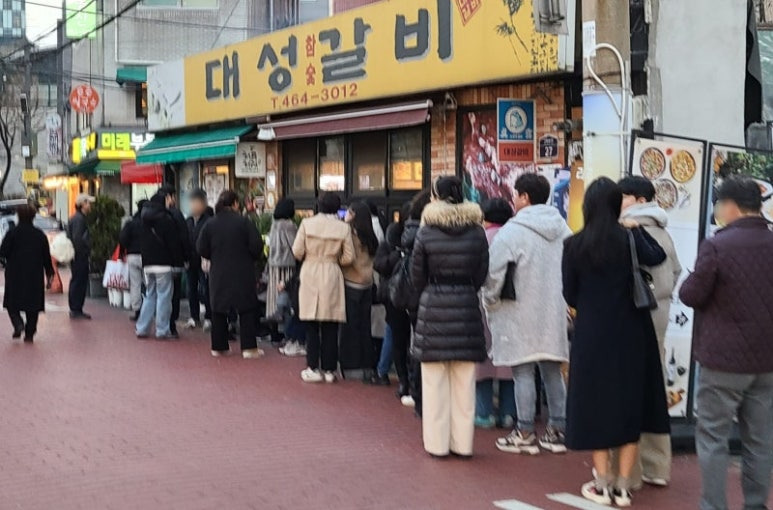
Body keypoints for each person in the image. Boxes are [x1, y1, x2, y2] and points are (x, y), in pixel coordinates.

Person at [562, 177, 670, 507]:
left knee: (596, 406)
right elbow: (658, 255)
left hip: (592, 333)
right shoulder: (629, 239)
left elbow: (570, 293)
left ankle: (602, 483)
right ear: (615, 205)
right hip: (633, 332)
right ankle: (624, 487)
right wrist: (636, 229)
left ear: (588, 206)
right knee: (630, 405)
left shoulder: (574, 245)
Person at [679, 176, 773, 510]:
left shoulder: (717, 245)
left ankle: (714, 506)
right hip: (766, 361)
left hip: (722, 361)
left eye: (719, 204)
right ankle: (755, 504)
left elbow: (690, 293)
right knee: (760, 441)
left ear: (731, 206)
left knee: (713, 438)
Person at [483, 175, 571, 454]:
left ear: (524, 197)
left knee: (522, 372)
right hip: (553, 309)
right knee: (552, 372)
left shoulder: (513, 231)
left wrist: (490, 298)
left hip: (518, 310)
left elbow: (493, 271)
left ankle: (524, 431)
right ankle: (558, 429)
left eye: (517, 195)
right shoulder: (563, 229)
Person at [411, 176, 489, 458]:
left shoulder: (426, 231)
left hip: (434, 306)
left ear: (436, 196)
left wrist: (433, 289)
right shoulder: (477, 231)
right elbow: (481, 274)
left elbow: (416, 276)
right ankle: (463, 444)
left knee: (434, 383)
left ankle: (437, 444)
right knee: (464, 383)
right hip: (467, 306)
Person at [616, 176, 682, 486]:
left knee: (627, 390)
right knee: (654, 391)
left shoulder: (628, 229)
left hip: (632, 317)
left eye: (625, 196)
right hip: (661, 316)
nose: (621, 202)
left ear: (641, 200)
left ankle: (628, 471)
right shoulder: (664, 232)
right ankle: (657, 466)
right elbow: (677, 271)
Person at [292, 192, 355, 384]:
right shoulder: (343, 228)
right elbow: (349, 257)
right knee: (330, 323)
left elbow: (297, 251)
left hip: (310, 271)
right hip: (331, 272)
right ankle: (329, 369)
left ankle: (312, 367)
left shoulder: (307, 224)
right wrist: (334, 259)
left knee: (311, 324)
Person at [197, 191, 265, 359]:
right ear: (235, 203)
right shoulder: (244, 222)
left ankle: (219, 347)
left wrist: (214, 254)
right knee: (246, 308)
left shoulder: (211, 224)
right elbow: (257, 246)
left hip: (219, 272)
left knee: (218, 310)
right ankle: (249, 348)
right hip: (243, 272)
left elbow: (200, 247)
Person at [475, 198, 516, 430]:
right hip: (511, 305)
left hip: (483, 304)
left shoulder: (481, 238)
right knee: (510, 363)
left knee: (483, 362)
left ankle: (484, 413)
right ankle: (509, 413)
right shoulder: (513, 238)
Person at [0, 204, 54, 342]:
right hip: (34, 274)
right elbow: (46, 256)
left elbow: (3, 251)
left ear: (18, 216)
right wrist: (49, 274)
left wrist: (7, 261)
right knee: (33, 304)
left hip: (15, 273)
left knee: (12, 302)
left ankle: (18, 324)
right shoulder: (39, 235)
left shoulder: (12, 233)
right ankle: (30, 332)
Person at [374, 202, 412, 391]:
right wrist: (397, 256)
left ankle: (396, 376)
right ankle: (402, 379)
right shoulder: (391, 238)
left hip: (408, 295)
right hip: (395, 294)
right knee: (397, 337)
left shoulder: (422, 238)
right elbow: (380, 264)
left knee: (398, 336)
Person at [135, 193, 184, 340]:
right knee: (164, 297)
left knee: (150, 295)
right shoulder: (166, 219)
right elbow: (173, 244)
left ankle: (142, 328)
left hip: (148, 264)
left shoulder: (143, 220)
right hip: (164, 264)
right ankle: (162, 330)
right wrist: (178, 263)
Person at [340, 201, 379, 382]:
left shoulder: (349, 233)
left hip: (351, 283)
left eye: (348, 212)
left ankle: (351, 366)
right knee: (365, 327)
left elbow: (346, 258)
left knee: (351, 329)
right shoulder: (370, 235)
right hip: (368, 284)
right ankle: (368, 366)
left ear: (353, 214)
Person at [401, 189, 432, 410]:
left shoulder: (412, 231)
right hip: (442, 297)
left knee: (418, 343)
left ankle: (417, 392)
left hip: (418, 296)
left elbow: (417, 271)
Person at [265, 198, 303, 354]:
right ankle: (290, 337)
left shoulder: (273, 225)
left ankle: (274, 334)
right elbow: (296, 247)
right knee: (288, 301)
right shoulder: (289, 226)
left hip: (273, 266)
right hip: (287, 266)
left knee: (274, 300)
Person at [158, 185, 190, 338]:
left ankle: (161, 324)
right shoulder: (176, 214)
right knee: (173, 294)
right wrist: (186, 257)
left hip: (156, 262)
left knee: (159, 294)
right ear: (170, 197)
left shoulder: (152, 214)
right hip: (175, 262)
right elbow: (184, 237)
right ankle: (171, 324)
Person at [184, 189, 214, 331]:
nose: (192, 206)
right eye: (191, 203)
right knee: (191, 290)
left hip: (204, 261)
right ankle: (194, 316)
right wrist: (185, 257)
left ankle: (209, 317)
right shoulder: (188, 221)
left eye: (195, 203)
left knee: (206, 289)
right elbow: (184, 240)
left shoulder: (209, 221)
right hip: (190, 261)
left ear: (202, 203)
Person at [68, 193, 94, 319]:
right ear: (83, 204)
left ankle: (76, 307)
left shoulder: (77, 218)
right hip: (79, 255)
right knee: (79, 280)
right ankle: (76, 308)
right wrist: (83, 251)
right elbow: (78, 238)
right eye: (88, 203)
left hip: (78, 255)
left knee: (77, 280)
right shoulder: (79, 219)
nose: (90, 206)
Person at [119, 199, 147, 322]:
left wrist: (124, 251)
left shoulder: (131, 223)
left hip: (132, 256)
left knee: (135, 285)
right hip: (147, 256)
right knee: (149, 284)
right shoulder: (148, 223)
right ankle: (150, 308)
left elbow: (123, 238)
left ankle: (137, 310)